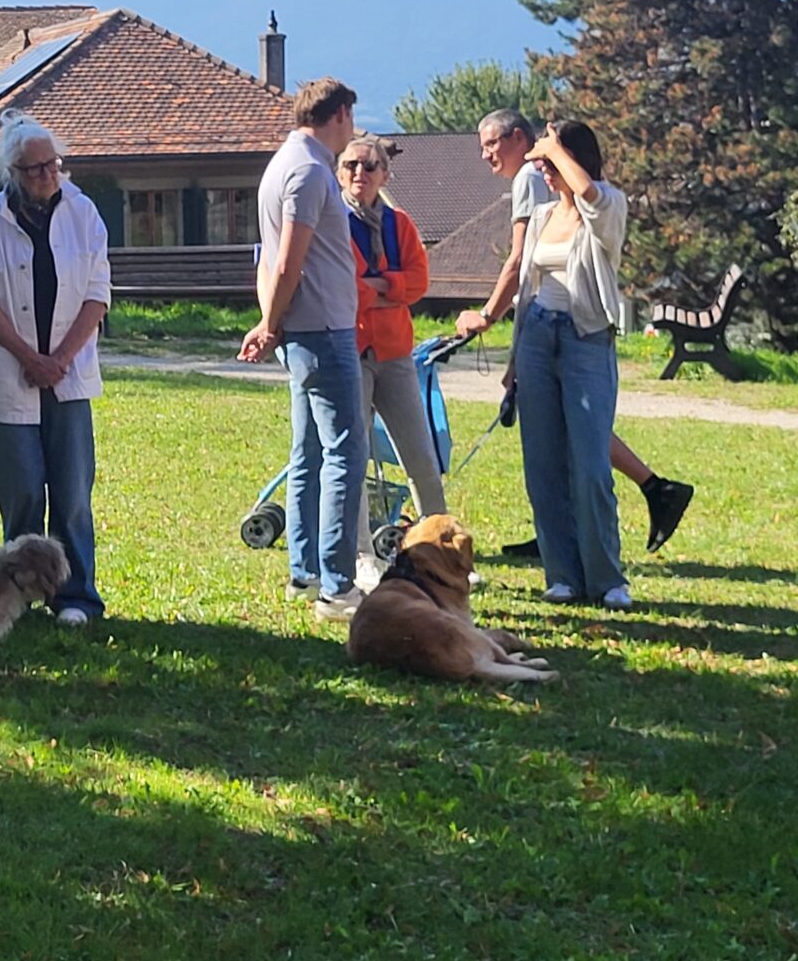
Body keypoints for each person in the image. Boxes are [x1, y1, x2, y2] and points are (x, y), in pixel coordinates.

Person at [456, 108, 693, 554]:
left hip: (579, 331)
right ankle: (563, 539)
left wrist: (487, 314)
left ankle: (628, 511)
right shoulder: (541, 189)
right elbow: (532, 271)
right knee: (555, 441)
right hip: (541, 331)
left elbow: (519, 259)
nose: (486, 154)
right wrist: (517, 353)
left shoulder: (534, 176)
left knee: (580, 436)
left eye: (492, 143)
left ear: (521, 139)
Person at [0, 112, 112, 625]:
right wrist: (29, 358)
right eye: (35, 169)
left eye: (54, 165)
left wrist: (59, 360)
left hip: (67, 378)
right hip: (9, 375)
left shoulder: (84, 213)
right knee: (22, 491)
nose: (49, 176)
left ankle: (76, 596)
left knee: (72, 494)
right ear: (12, 173)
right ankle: (18, 594)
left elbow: (97, 293)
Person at [240, 77, 368, 622]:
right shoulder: (312, 170)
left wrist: (270, 320)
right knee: (346, 452)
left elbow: (269, 258)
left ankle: (304, 569)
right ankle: (338, 586)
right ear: (339, 114)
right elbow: (289, 258)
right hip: (321, 330)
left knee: (309, 451)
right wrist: (271, 323)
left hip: (306, 327)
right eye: (352, 119)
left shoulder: (283, 163)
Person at [507, 121, 632, 608]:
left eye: (552, 162)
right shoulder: (540, 215)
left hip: (585, 339)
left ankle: (607, 579)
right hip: (537, 336)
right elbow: (526, 286)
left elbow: (590, 196)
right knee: (542, 464)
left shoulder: (608, 204)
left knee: (590, 467)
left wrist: (557, 148)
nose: (545, 171)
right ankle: (561, 574)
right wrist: (515, 358)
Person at [337, 134, 447, 593]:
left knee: (421, 454)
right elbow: (347, 287)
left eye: (369, 166)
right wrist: (385, 288)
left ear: (385, 174)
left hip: (397, 355)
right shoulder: (333, 221)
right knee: (354, 457)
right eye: (350, 166)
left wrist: (378, 287)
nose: (359, 174)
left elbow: (419, 282)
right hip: (352, 353)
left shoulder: (400, 224)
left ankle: (441, 547)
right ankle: (362, 555)